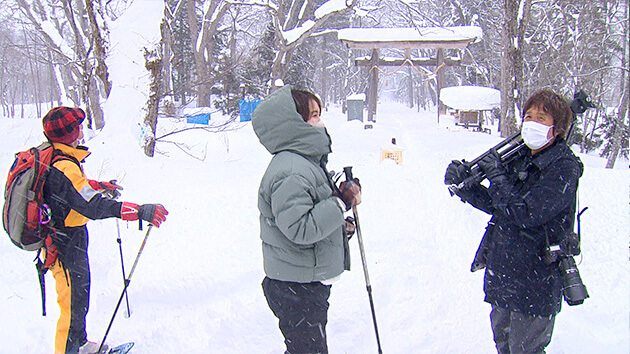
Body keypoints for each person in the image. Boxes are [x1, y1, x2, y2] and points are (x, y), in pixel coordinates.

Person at [444, 89, 583, 353]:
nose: (531, 122)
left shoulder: (564, 167)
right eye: (528, 116)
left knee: (526, 350)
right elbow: (499, 206)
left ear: (557, 129)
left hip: (536, 279)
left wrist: (497, 177)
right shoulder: (521, 156)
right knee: (504, 345)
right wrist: (464, 187)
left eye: (541, 118)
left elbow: (526, 213)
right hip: (505, 272)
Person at [40, 106, 168, 354]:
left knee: (78, 296)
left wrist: (98, 185)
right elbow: (91, 205)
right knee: (70, 305)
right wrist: (139, 211)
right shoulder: (64, 165)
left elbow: (73, 189)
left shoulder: (59, 156)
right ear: (69, 133)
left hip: (70, 237)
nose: (80, 131)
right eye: (77, 126)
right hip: (62, 242)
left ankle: (80, 345)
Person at [252, 85, 361, 353]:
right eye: (312, 115)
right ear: (292, 124)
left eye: (319, 114)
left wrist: (338, 227)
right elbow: (299, 228)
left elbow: (311, 217)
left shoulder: (305, 163)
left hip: (303, 282)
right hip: (295, 287)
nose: (320, 122)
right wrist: (340, 202)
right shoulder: (291, 170)